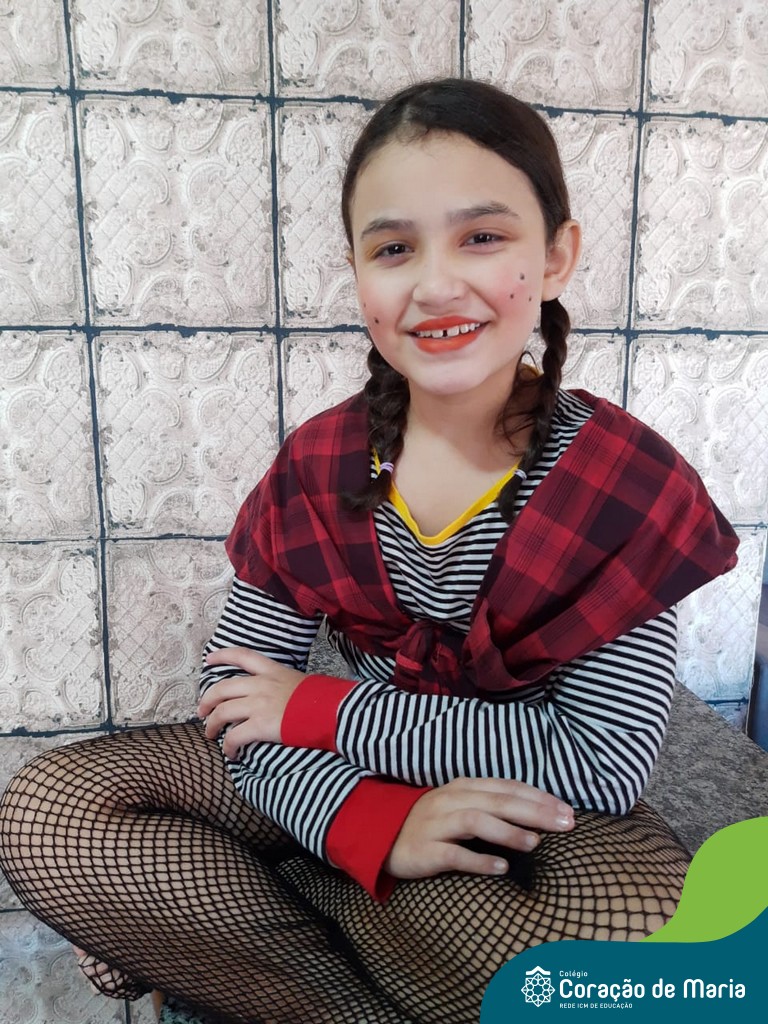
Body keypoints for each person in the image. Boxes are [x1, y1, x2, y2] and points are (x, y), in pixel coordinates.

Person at [0, 78, 738, 1024]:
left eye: (482, 237)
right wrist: (366, 822)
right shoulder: (320, 462)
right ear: (357, 273)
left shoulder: (622, 483)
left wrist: (319, 709)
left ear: (556, 256)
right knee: (53, 812)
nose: (435, 284)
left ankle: (269, 908)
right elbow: (236, 695)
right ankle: (325, 906)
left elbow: (599, 763)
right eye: (394, 249)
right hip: (332, 780)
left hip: (520, 810)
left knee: (638, 946)